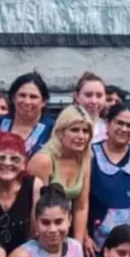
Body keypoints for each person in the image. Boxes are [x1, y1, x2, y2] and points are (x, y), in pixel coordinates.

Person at [86, 103, 130, 257]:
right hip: (97, 241)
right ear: (108, 124)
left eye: (129, 125)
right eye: (119, 123)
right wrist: (84, 235)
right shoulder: (91, 154)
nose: (124, 129)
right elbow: (81, 201)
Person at [28, 105, 93, 246]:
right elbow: (34, 208)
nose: (81, 136)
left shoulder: (85, 159)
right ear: (61, 132)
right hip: (40, 230)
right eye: (74, 130)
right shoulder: (43, 160)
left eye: (85, 131)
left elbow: (81, 206)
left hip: (64, 227)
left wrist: (77, 246)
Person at [0, 73, 53, 159]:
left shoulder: (52, 129)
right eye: (22, 95)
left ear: (44, 101)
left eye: (33, 97)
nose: (27, 101)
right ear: (13, 98)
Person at [74, 72, 108, 142]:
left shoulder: (109, 130)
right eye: (88, 95)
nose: (94, 101)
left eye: (99, 96)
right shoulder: (64, 128)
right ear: (77, 96)